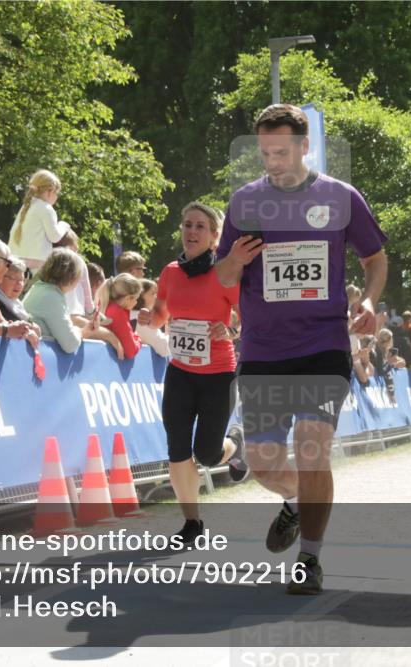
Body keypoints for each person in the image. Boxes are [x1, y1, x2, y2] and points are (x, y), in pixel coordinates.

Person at [215, 103, 388, 594]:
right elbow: (224, 277)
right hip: (264, 350)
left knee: (313, 448)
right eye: (265, 152)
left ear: (304, 145)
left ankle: (309, 559)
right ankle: (295, 500)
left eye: (282, 151)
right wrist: (234, 259)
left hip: (322, 345)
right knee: (265, 461)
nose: (273, 161)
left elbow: (375, 257)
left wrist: (371, 300)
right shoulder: (245, 203)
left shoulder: (340, 197)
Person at [145, 201, 246, 543]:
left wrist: (228, 330)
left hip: (218, 374)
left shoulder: (226, 273)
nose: (191, 231)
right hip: (180, 372)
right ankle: (192, 523)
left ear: (215, 236)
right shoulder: (171, 271)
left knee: (207, 453)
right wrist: (150, 320)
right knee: (177, 449)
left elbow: (245, 318)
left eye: (200, 226)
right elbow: (161, 311)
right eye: (187, 224)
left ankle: (236, 442)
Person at [22, 248, 86, 354]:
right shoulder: (52, 296)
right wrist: (81, 331)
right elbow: (70, 344)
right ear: (71, 277)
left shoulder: (39, 288)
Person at [8, 169, 70, 271]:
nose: (57, 197)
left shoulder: (26, 207)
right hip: (36, 265)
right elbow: (54, 237)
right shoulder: (46, 208)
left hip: (15, 261)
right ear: (50, 191)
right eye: (57, 193)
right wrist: (63, 225)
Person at [98, 273, 143, 360]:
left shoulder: (105, 304)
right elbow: (131, 351)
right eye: (136, 298)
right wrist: (138, 338)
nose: (136, 303)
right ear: (128, 298)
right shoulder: (118, 312)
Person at [135, 278, 169, 356]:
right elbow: (165, 348)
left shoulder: (132, 315)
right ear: (140, 296)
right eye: (153, 293)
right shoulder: (142, 319)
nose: (157, 297)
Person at [0, 257, 32, 322]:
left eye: (22, 280)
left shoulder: (15, 302)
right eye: (13, 278)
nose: (19, 284)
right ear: (0, 277)